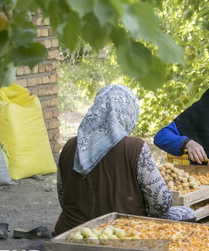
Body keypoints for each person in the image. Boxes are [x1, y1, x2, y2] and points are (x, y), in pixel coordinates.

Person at [54, 84, 194, 236]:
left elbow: (63, 198)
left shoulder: (69, 147)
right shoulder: (134, 147)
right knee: (187, 213)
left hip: (70, 233)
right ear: (128, 112)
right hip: (120, 234)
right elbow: (161, 204)